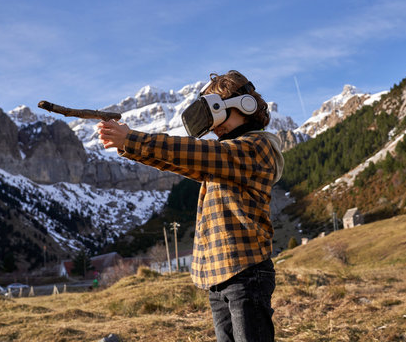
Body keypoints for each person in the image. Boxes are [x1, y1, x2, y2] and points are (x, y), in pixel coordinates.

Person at [97, 70, 284, 342]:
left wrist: (132, 139)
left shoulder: (256, 148)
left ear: (245, 105)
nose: (215, 127)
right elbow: (180, 161)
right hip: (220, 277)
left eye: (219, 114)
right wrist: (130, 147)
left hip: (246, 273)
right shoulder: (224, 158)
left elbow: (198, 153)